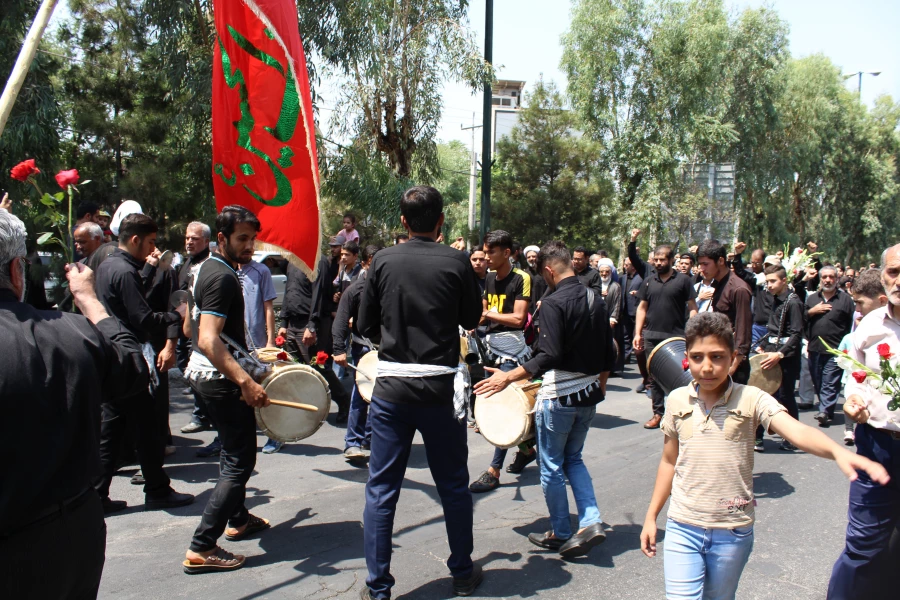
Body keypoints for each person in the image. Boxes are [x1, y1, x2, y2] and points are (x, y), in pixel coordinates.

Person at [639, 312, 888, 600]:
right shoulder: (676, 400)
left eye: (717, 357)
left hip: (731, 533)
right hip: (683, 526)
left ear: (733, 358)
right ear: (687, 359)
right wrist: (651, 516)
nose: (707, 367)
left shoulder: (752, 398)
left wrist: (837, 452)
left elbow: (795, 431)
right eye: (697, 357)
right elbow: (669, 461)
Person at [0, 210, 151, 600]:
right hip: (69, 537)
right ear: (18, 270)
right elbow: (132, 369)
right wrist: (90, 302)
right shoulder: (71, 331)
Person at [357, 186, 483, 599]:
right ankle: (462, 573)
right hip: (441, 390)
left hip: (393, 389)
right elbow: (470, 318)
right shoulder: (457, 261)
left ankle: (378, 589)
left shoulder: (383, 261)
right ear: (441, 221)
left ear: (404, 222)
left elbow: (364, 324)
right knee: (453, 484)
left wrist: (393, 342)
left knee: (381, 489)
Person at [475, 240, 615, 558]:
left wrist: (506, 377)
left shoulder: (553, 303)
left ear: (549, 270)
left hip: (559, 398)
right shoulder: (596, 297)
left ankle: (562, 532)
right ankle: (591, 519)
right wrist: (600, 388)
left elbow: (549, 355)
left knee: (551, 465)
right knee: (574, 459)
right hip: (589, 396)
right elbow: (610, 352)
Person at [182, 206, 272, 574]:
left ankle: (239, 518)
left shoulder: (203, 268)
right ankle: (202, 545)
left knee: (232, 451)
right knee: (240, 462)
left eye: (252, 238)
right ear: (221, 239)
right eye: (241, 239)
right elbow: (206, 338)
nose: (249, 246)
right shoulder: (221, 277)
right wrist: (245, 380)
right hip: (220, 380)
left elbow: (189, 327)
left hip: (202, 376)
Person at [93, 213, 194, 513]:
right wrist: (178, 315)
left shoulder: (107, 265)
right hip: (132, 356)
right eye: (150, 242)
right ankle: (157, 490)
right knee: (148, 427)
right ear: (135, 239)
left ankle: (98, 494)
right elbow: (143, 318)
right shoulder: (124, 271)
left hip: (113, 354)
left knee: (111, 429)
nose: (153, 248)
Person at [829, 244, 900, 598]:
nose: (899, 280)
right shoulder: (869, 325)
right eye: (894, 272)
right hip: (877, 446)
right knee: (862, 545)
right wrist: (853, 403)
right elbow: (856, 382)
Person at [469, 230, 536, 494]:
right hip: (489, 350)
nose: (485, 258)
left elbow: (519, 319)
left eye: (490, 253)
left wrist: (487, 313)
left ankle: (494, 470)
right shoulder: (488, 278)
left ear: (506, 253)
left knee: (503, 408)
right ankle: (528, 449)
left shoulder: (522, 278)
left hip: (513, 354)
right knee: (503, 406)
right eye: (484, 253)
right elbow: (485, 316)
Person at [634, 245, 699, 429]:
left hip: (676, 338)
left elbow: (693, 308)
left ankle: (682, 413)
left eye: (663, 260)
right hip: (652, 337)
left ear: (671, 261)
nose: (659, 263)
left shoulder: (684, 281)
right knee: (653, 377)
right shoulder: (648, 281)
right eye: (656, 259)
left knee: (678, 376)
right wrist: (638, 333)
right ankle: (657, 414)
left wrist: (690, 332)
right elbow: (642, 308)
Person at [333, 244, 381, 462]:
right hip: (363, 350)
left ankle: (370, 439)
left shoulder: (392, 288)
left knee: (382, 398)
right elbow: (341, 320)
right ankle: (352, 442)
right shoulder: (354, 290)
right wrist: (338, 350)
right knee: (361, 395)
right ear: (365, 264)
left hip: (389, 353)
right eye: (373, 263)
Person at [753, 265, 805, 451]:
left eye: (773, 281)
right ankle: (757, 437)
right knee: (763, 394)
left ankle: (793, 437)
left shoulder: (794, 302)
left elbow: (796, 334)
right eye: (767, 281)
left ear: (784, 280)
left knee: (785, 396)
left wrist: (780, 353)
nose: (769, 285)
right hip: (770, 353)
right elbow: (774, 330)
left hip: (786, 357)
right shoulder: (775, 299)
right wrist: (764, 345)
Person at [838, 269, 888, 446]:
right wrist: (854, 396)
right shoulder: (865, 328)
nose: (857, 311)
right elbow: (856, 372)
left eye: (860, 303)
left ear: (882, 301)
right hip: (873, 433)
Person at [178, 222, 216, 439]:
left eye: (194, 238)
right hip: (187, 326)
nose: (189, 242)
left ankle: (202, 415)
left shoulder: (209, 265)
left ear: (205, 241)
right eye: (187, 238)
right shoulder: (187, 263)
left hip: (205, 328)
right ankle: (203, 412)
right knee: (190, 371)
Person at [696, 240, 753, 384]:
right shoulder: (719, 284)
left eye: (705, 264)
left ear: (721, 261)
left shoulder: (738, 289)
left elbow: (743, 332)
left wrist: (732, 367)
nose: (701, 268)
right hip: (719, 356)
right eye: (700, 264)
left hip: (732, 364)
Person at [239, 257, 279, 454]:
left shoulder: (261, 271)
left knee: (265, 389)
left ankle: (274, 434)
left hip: (257, 343)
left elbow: (268, 307)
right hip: (233, 343)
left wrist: (270, 341)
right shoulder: (225, 269)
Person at [806, 265, 855, 426]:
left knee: (830, 381)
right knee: (818, 381)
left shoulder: (845, 300)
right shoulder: (812, 299)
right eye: (825, 277)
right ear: (820, 279)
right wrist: (812, 311)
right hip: (814, 348)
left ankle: (824, 411)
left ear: (837, 279)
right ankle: (827, 408)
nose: (828, 280)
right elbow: (802, 320)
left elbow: (851, 324)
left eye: (831, 277)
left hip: (836, 350)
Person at [621, 257, 646, 386]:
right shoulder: (623, 277)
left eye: (628, 264)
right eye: (625, 264)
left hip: (636, 311)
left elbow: (645, 292)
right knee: (625, 335)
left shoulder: (641, 277)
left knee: (635, 336)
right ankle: (625, 358)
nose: (625, 266)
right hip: (625, 311)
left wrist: (638, 293)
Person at [599, 262, 623, 381]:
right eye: (602, 272)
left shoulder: (615, 286)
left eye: (607, 272)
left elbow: (617, 304)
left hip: (609, 320)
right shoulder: (596, 285)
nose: (604, 274)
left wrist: (613, 318)